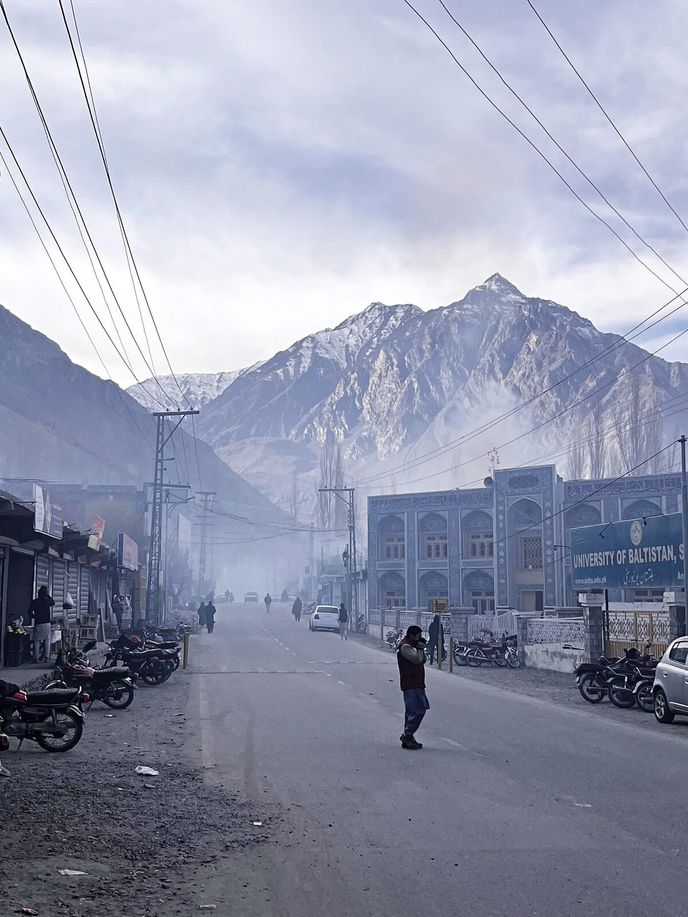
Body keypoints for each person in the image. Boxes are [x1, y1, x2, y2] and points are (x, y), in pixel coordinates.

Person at [396, 625, 429, 750]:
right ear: (411, 635)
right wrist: (420, 649)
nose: (419, 638)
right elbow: (417, 660)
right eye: (417, 636)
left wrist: (420, 648)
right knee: (416, 710)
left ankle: (408, 736)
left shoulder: (412, 646)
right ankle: (408, 735)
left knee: (416, 710)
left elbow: (423, 660)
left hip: (417, 683)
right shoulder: (405, 647)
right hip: (410, 683)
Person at [29, 585, 55, 664]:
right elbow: (53, 602)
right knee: (47, 641)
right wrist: (47, 594)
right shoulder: (47, 602)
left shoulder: (34, 602)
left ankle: (36, 658)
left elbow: (29, 612)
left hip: (38, 623)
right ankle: (46, 658)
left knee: (36, 641)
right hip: (47, 623)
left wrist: (34, 616)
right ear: (45, 594)